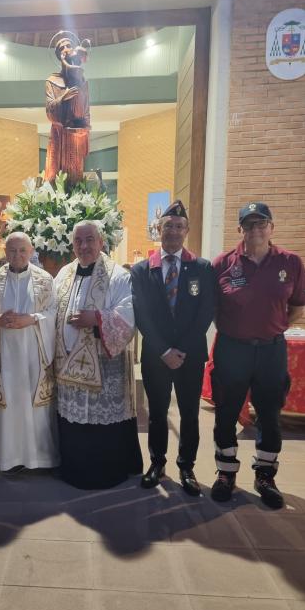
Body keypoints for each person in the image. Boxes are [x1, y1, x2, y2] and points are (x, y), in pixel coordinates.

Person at [210, 202, 305, 509]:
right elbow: (213, 310)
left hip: (271, 351)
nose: (256, 230)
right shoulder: (223, 263)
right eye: (249, 225)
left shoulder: (291, 263)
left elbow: (297, 308)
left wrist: (272, 328)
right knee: (225, 414)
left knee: (269, 416)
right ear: (240, 230)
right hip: (231, 350)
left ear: (271, 227)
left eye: (261, 223)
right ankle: (226, 474)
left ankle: (265, 475)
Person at [130, 200, 215, 496]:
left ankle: (186, 466)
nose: (174, 232)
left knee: (190, 413)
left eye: (179, 227)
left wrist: (182, 350)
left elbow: (206, 312)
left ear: (187, 230)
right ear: (159, 229)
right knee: (156, 412)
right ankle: (157, 463)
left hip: (190, 356)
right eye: (168, 226)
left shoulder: (202, 268)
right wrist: (164, 350)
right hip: (156, 356)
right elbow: (141, 314)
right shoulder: (142, 270)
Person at [54, 220, 143, 489]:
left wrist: (97, 319)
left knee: (101, 423)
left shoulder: (117, 276)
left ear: (101, 242)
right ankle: (74, 470)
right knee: (75, 423)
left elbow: (128, 314)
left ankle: (106, 473)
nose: (84, 246)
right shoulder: (64, 274)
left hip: (105, 364)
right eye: (78, 241)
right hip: (68, 365)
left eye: (90, 239)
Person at [0, 232, 59, 472]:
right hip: (5, 360)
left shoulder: (45, 280)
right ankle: (9, 459)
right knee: (9, 407)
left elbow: (54, 313)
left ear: (31, 252)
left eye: (22, 250)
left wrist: (33, 319)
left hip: (35, 357)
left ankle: (40, 459)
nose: (17, 255)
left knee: (35, 409)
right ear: (5, 252)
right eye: (12, 250)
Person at [45, 35, 90, 186]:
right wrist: (62, 98)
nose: (65, 49)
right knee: (56, 178)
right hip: (59, 136)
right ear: (58, 55)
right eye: (61, 48)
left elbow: (87, 110)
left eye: (67, 46)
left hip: (76, 136)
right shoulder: (52, 80)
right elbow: (49, 110)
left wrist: (86, 133)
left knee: (75, 179)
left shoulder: (82, 80)